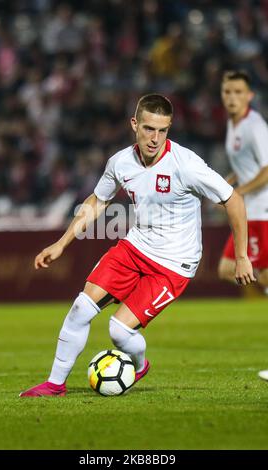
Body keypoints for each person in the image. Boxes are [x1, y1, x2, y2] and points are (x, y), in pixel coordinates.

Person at [20, 93, 255, 397]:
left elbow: (233, 200)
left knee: (118, 331)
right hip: (135, 248)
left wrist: (241, 256)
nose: (155, 138)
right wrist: (62, 243)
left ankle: (139, 365)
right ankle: (54, 385)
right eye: (149, 129)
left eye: (163, 130)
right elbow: (98, 201)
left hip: (174, 263)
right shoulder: (120, 162)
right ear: (134, 124)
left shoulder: (186, 165)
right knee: (80, 308)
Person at [217, 71, 268, 381]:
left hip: (261, 211)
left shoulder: (255, 126)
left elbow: (266, 170)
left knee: (246, 270)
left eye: (237, 91)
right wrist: (228, 182)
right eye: (226, 92)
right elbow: (244, 168)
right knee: (228, 268)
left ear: (249, 95)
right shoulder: (232, 125)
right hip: (248, 211)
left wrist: (237, 193)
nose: (231, 97)